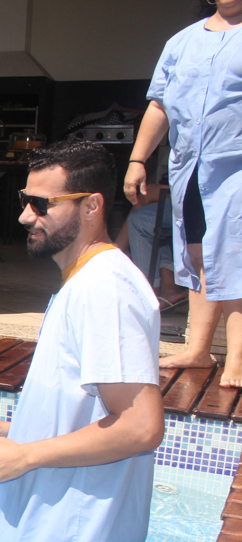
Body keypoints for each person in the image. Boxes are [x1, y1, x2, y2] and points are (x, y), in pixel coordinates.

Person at [0, 141, 165, 542]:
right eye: (24, 200)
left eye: (41, 204)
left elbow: (141, 426)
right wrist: (24, 430)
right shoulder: (86, 281)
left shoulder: (105, 288)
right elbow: (93, 401)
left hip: (73, 539)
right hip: (62, 530)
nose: (24, 216)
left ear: (91, 206)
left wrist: (26, 455)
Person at [126, 1, 242, 384]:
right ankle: (198, 350)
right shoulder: (181, 42)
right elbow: (160, 104)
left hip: (236, 166)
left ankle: (238, 357)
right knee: (197, 253)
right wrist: (138, 159)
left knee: (235, 253)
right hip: (191, 166)